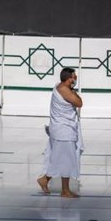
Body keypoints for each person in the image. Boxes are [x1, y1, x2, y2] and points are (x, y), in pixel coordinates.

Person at [37, 67, 83, 198]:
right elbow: (79, 103)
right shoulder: (64, 90)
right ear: (69, 79)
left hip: (62, 129)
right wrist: (74, 92)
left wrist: (72, 90)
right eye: (74, 77)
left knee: (61, 158)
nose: (76, 79)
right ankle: (64, 190)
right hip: (63, 130)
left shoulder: (61, 86)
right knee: (66, 160)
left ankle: (45, 180)